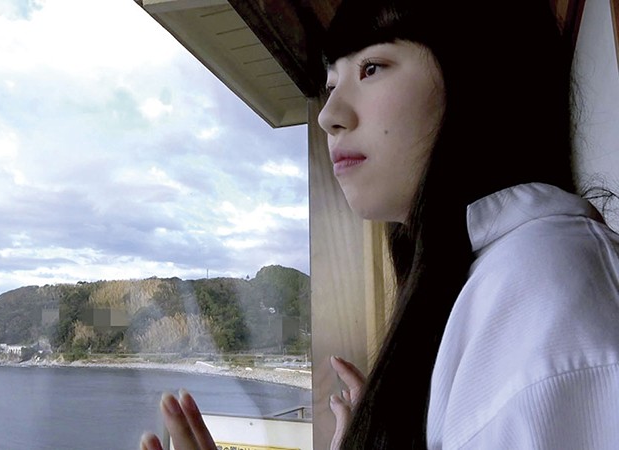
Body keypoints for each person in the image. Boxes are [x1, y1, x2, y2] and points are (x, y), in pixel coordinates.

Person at [140, 0, 619, 448]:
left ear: (480, 72)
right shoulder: (490, 275)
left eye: (371, 68)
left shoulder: (542, 304)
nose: (329, 115)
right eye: (331, 85)